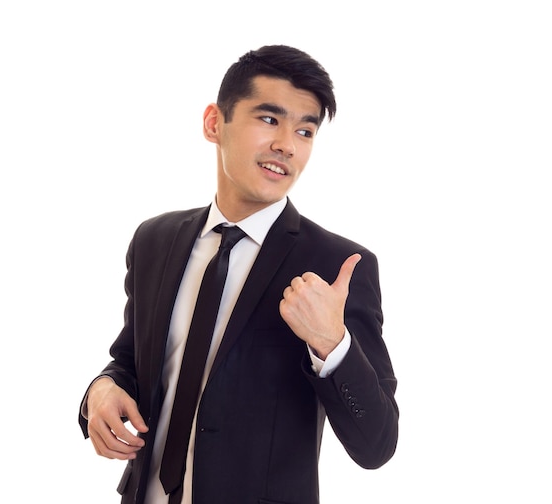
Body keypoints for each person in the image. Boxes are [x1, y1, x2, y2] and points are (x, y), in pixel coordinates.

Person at [79, 44, 399, 504]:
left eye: (305, 130)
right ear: (215, 123)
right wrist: (101, 389)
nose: (287, 144)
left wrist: (331, 344)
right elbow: (131, 360)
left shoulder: (338, 266)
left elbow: (377, 445)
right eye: (269, 119)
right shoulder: (154, 240)